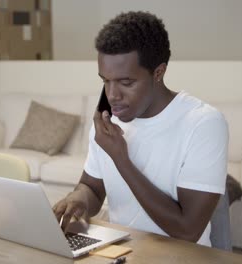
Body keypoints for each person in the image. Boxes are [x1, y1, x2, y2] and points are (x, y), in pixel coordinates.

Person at [53, 11, 228, 247]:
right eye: (105, 80)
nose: (112, 95)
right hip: (122, 251)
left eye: (126, 83)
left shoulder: (203, 124)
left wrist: (120, 158)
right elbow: (93, 189)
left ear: (158, 72)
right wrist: (78, 199)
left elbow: (187, 231)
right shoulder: (107, 119)